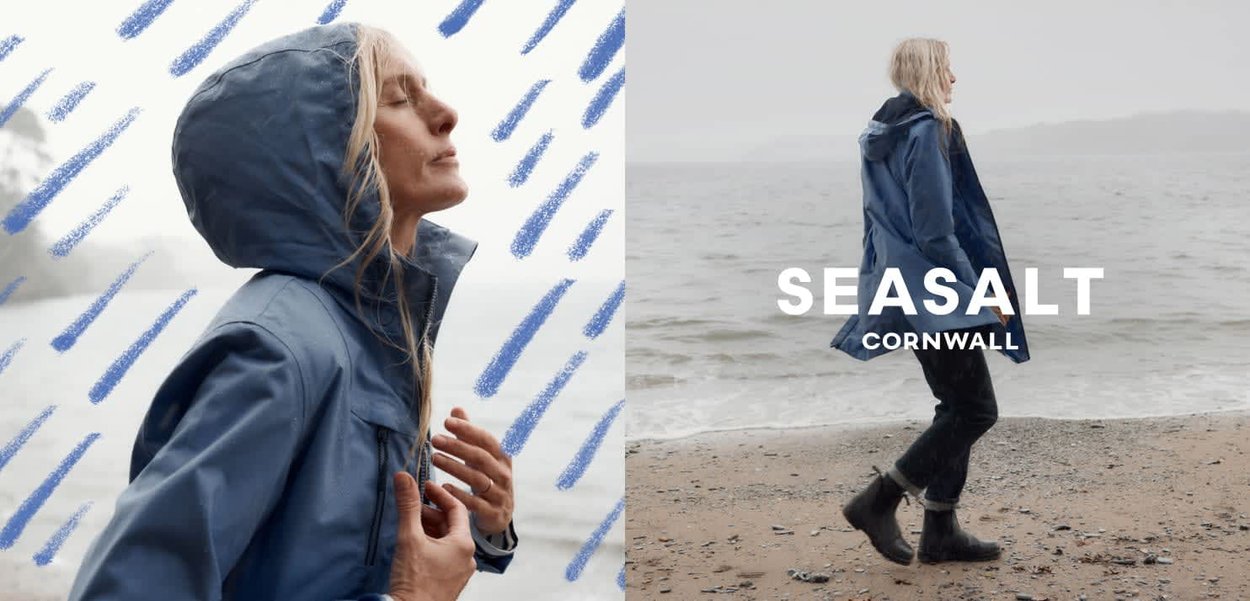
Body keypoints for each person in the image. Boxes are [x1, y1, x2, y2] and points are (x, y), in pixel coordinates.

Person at [69, 22, 518, 600]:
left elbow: (352, 560)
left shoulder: (371, 326)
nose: (446, 113)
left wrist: (487, 528)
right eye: (402, 99)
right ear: (320, 151)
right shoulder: (282, 346)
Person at [831, 37, 1030, 565]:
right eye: (947, 68)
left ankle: (940, 530)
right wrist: (981, 292)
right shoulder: (926, 132)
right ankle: (879, 499)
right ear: (928, 72)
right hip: (937, 292)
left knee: (954, 406)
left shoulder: (876, 136)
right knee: (976, 410)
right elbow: (937, 232)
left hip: (904, 286)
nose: (954, 79)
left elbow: (878, 223)